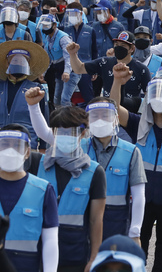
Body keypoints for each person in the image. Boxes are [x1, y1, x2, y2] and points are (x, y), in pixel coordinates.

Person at [111, 62, 162, 272]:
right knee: (137, 249)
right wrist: (117, 82)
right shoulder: (138, 123)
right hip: (142, 200)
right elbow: (113, 109)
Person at [32, 104, 107, 272]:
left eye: (70, 132)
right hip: (38, 254)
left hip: (74, 255)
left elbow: (96, 220)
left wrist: (95, 256)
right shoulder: (38, 164)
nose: (65, 136)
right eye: (61, 131)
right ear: (53, 133)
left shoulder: (95, 172)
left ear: (82, 134)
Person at [0, 129, 59, 272]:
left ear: (27, 152)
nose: (10, 151)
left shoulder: (43, 190)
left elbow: (50, 239)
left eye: (17, 145)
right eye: (4, 145)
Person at [68, 30, 151, 112]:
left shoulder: (141, 69)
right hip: (108, 111)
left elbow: (149, 95)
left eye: (122, 45)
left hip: (129, 114)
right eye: (116, 44)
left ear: (132, 48)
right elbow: (79, 69)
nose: (118, 47)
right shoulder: (105, 62)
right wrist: (72, 54)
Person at [0, 40, 50, 148]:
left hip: (26, 144)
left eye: (22, 61)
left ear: (28, 64)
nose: (18, 63)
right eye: (15, 60)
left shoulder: (36, 88)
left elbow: (45, 117)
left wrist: (43, 147)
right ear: (7, 62)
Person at [62, 2, 97, 106]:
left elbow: (94, 51)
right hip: (70, 68)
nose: (72, 17)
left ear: (81, 14)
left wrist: (94, 69)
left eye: (74, 14)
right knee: (68, 98)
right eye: (70, 15)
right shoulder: (65, 29)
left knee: (88, 96)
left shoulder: (90, 30)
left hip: (85, 67)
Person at [38, 14, 76, 106]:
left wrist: (67, 72)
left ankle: (68, 119)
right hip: (59, 72)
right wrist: (42, 73)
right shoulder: (48, 38)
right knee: (56, 99)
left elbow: (69, 56)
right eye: (43, 25)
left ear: (54, 25)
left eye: (47, 25)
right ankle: (59, 118)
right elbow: (47, 58)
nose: (45, 27)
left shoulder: (63, 38)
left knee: (65, 99)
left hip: (71, 72)